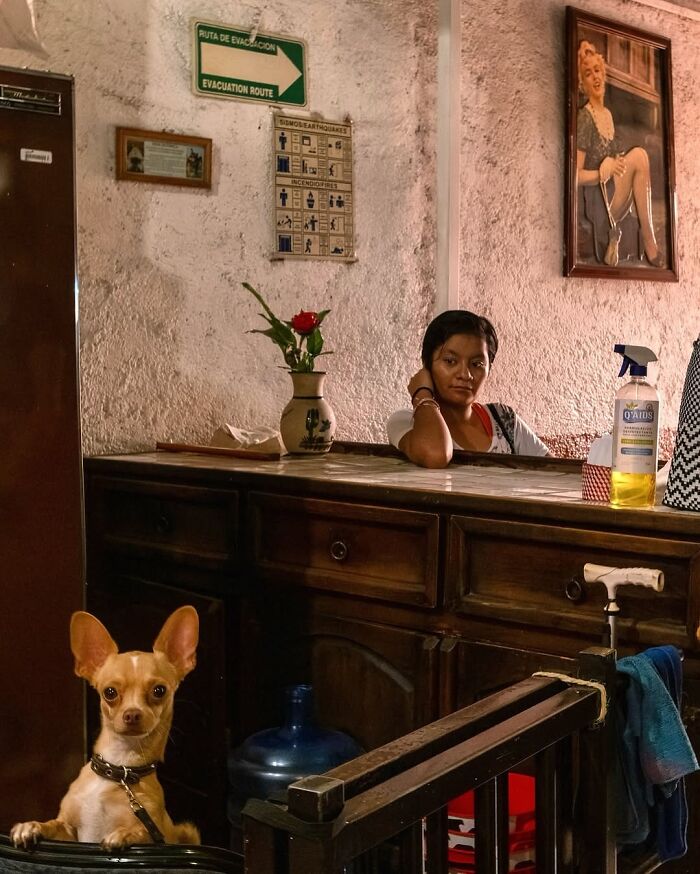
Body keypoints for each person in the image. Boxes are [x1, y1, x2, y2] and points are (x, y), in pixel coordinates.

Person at [386, 310, 550, 468]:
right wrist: (422, 393)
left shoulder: (503, 420)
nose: (465, 374)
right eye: (450, 361)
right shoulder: (406, 422)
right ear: (427, 364)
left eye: (477, 364)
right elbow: (435, 455)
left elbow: (554, 474)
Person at [576, 44, 663, 267]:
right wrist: (600, 172)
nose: (594, 76)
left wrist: (616, 161)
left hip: (613, 193)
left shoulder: (607, 115)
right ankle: (649, 242)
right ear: (582, 84)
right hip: (597, 202)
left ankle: (648, 240)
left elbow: (615, 159)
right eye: (588, 73)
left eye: (597, 70)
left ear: (603, 74)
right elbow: (575, 176)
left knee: (638, 157)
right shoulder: (585, 118)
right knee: (641, 156)